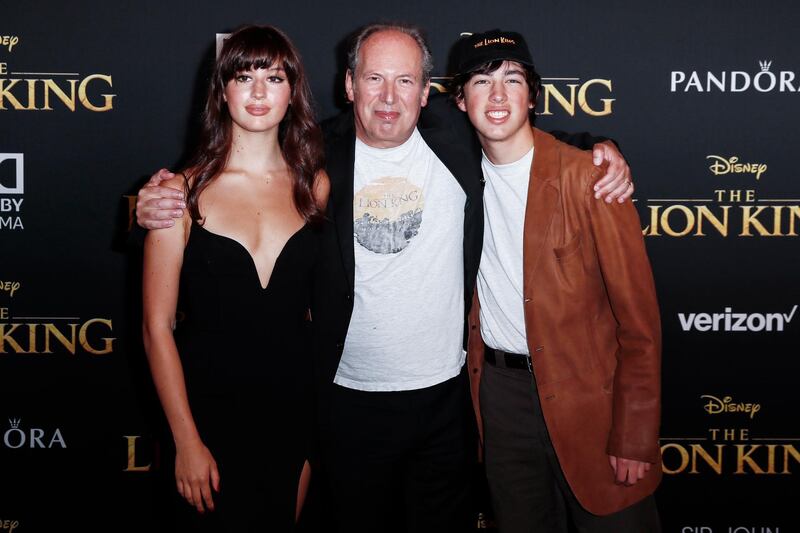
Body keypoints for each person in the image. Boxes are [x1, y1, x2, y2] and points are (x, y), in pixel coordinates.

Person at [136, 23, 634, 533]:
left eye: (404, 81)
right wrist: (160, 197)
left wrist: (598, 145)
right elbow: (235, 162)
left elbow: (519, 135)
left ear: (427, 92)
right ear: (349, 86)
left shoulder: (457, 138)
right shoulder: (316, 157)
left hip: (445, 402)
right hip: (344, 401)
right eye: (374, 79)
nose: (388, 97)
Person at [451, 30, 662, 532]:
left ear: (533, 96)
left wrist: (633, 435)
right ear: (460, 101)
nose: (498, 96)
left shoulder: (590, 178)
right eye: (482, 81)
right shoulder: (454, 178)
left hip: (590, 396)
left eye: (513, 79)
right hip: (500, 402)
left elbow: (640, 326)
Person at [141, 25, 329, 532]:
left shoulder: (316, 186)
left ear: (294, 92)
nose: (261, 92)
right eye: (244, 77)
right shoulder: (180, 193)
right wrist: (185, 440)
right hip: (207, 416)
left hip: (294, 413)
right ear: (222, 91)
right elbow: (157, 327)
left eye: (275, 76)